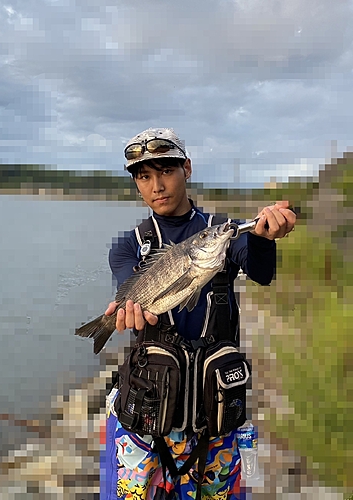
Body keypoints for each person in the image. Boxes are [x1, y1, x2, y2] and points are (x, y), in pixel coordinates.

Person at [104, 127, 296, 500]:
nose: (156, 185)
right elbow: (131, 294)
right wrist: (127, 313)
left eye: (166, 172)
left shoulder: (220, 233)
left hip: (216, 418)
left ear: (187, 169)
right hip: (148, 419)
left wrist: (262, 238)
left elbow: (261, 271)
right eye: (144, 176)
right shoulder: (128, 245)